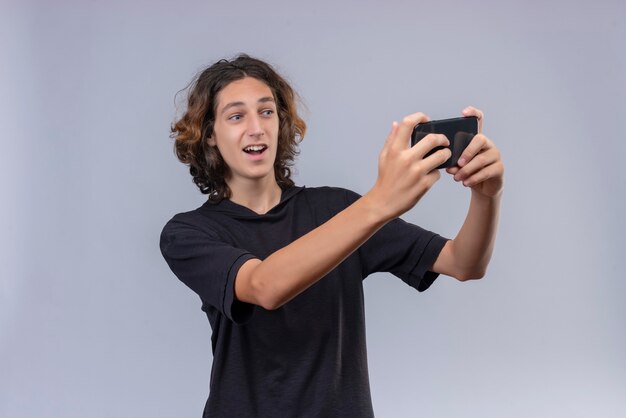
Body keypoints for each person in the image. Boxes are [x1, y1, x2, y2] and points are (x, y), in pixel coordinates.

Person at [160, 54, 504, 417]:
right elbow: (264, 286)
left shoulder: (338, 209)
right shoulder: (188, 233)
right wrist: (380, 201)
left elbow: (464, 262)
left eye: (266, 112)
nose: (256, 128)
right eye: (235, 116)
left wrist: (487, 194)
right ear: (210, 135)